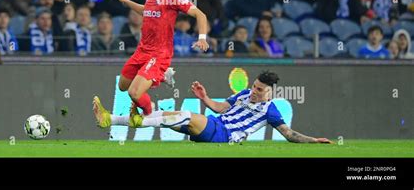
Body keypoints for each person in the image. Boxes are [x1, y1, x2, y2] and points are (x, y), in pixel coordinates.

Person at [93, 70, 333, 144]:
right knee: (166, 115)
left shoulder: (271, 110)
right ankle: (110, 120)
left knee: (185, 115)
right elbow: (220, 107)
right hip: (216, 125)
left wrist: (314, 140)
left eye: (260, 89)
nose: (255, 90)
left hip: (224, 135)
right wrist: (205, 97)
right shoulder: (244, 93)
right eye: (255, 86)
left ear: (270, 92)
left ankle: (133, 121)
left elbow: (289, 135)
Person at [110, 0, 209, 117]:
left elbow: (200, 14)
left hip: (158, 54)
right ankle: (162, 75)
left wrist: (202, 38)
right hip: (141, 51)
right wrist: (126, 2)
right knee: (122, 86)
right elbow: (146, 11)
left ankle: (149, 111)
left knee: (134, 93)